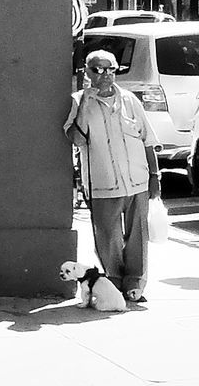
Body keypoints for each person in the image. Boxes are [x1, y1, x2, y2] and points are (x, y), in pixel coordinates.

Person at [63, 47, 160, 305]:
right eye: (98, 69)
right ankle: (114, 283)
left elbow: (147, 140)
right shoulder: (77, 101)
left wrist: (155, 176)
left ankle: (135, 286)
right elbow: (76, 138)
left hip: (136, 181)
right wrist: (86, 102)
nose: (106, 74)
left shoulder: (130, 100)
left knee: (138, 235)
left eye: (111, 69)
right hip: (103, 184)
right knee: (108, 237)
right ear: (88, 72)